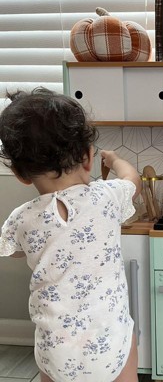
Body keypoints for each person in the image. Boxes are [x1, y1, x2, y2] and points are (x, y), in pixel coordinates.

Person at [0, 88, 142, 382]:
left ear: (21, 174)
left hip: (57, 349)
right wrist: (114, 159)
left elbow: (11, 249)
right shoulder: (107, 197)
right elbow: (133, 179)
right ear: (88, 157)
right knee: (126, 348)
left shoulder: (22, 219)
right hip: (110, 342)